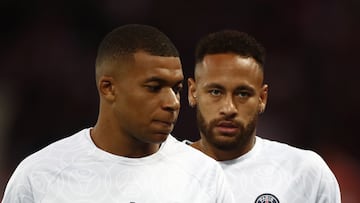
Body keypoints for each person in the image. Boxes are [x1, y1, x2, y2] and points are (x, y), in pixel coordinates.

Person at [2, 24, 234, 203]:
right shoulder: (41, 175)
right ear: (108, 88)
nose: (173, 102)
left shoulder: (204, 176)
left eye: (177, 89)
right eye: (154, 87)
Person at [186, 30, 341, 202]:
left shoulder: (305, 173)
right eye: (215, 92)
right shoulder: (160, 171)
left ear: (262, 98)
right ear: (193, 93)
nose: (229, 108)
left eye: (243, 94)